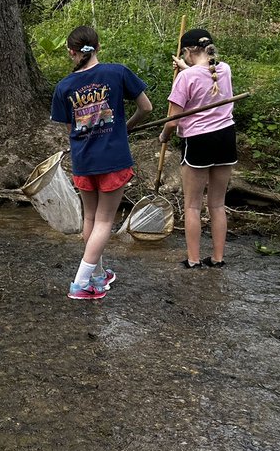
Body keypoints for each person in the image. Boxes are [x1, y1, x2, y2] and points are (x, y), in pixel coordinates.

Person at [51, 26, 153, 300]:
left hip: (83, 160)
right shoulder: (117, 72)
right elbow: (147, 107)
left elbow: (71, 126)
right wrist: (126, 127)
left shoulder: (64, 86)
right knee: (105, 220)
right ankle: (80, 283)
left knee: (91, 218)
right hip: (113, 158)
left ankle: (97, 275)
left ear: (71, 52)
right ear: (99, 46)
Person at [157, 28, 237, 269]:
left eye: (184, 53)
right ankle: (218, 258)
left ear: (190, 51)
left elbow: (172, 121)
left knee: (192, 205)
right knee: (217, 204)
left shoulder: (185, 78)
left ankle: (193, 260)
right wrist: (185, 66)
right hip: (225, 138)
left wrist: (164, 135)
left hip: (198, 141)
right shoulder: (224, 69)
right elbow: (204, 78)